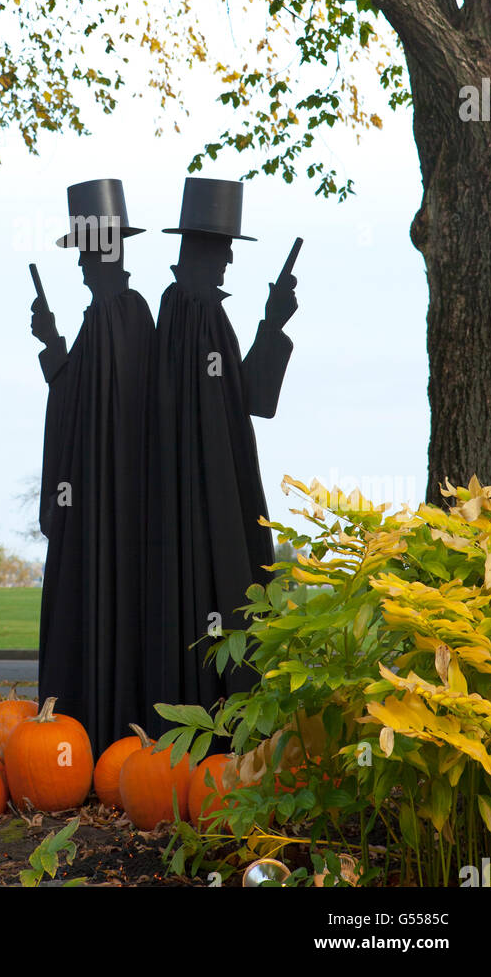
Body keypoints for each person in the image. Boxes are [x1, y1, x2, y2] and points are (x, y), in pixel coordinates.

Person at [145, 177, 297, 737]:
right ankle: (227, 719)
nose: (231, 257)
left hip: (190, 493)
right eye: (225, 246)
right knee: (226, 590)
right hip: (216, 495)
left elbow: (226, 397)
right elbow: (246, 399)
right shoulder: (202, 311)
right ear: (205, 249)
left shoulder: (175, 307)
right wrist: (274, 322)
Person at [32, 178, 154, 755]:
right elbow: (77, 391)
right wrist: (51, 340)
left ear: (107, 253)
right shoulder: (109, 317)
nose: (81, 267)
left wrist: (55, 351)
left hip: (116, 502)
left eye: (87, 254)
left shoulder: (123, 314)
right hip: (99, 501)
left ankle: (101, 735)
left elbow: (78, 397)